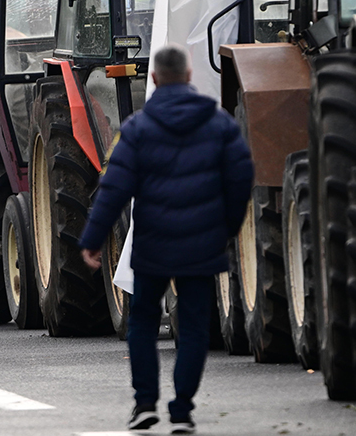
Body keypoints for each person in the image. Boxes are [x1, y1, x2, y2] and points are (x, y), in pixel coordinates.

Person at [79, 44, 254, 434]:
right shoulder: (220, 124)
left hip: (153, 246)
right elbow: (242, 179)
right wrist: (226, 228)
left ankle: (144, 404)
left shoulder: (136, 129)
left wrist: (92, 239)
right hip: (201, 245)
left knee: (142, 322)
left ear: (154, 79)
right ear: (189, 76)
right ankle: (182, 410)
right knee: (193, 327)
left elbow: (113, 189)